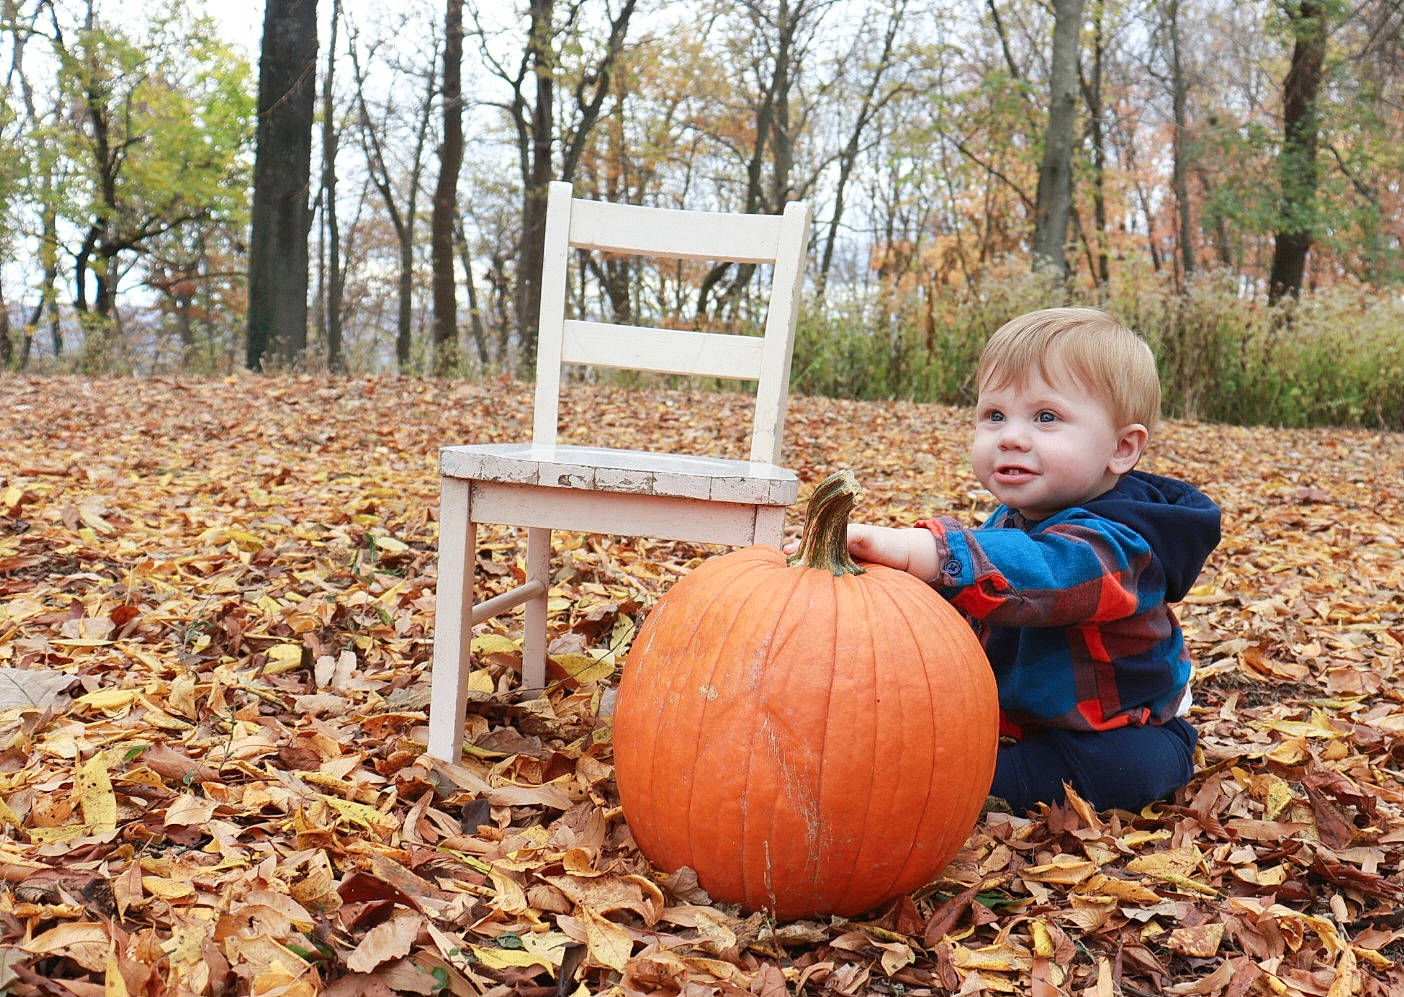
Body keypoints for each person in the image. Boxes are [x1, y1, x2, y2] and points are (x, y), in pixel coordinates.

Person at [832, 307, 1221, 813]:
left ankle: (982, 783)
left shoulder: (1122, 542)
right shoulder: (1009, 522)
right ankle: (976, 766)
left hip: (1112, 730)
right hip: (1017, 716)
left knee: (1127, 769)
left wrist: (921, 552)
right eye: (994, 415)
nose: (1011, 436)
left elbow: (1044, 574)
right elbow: (970, 593)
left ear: (1122, 448)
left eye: (1046, 417)